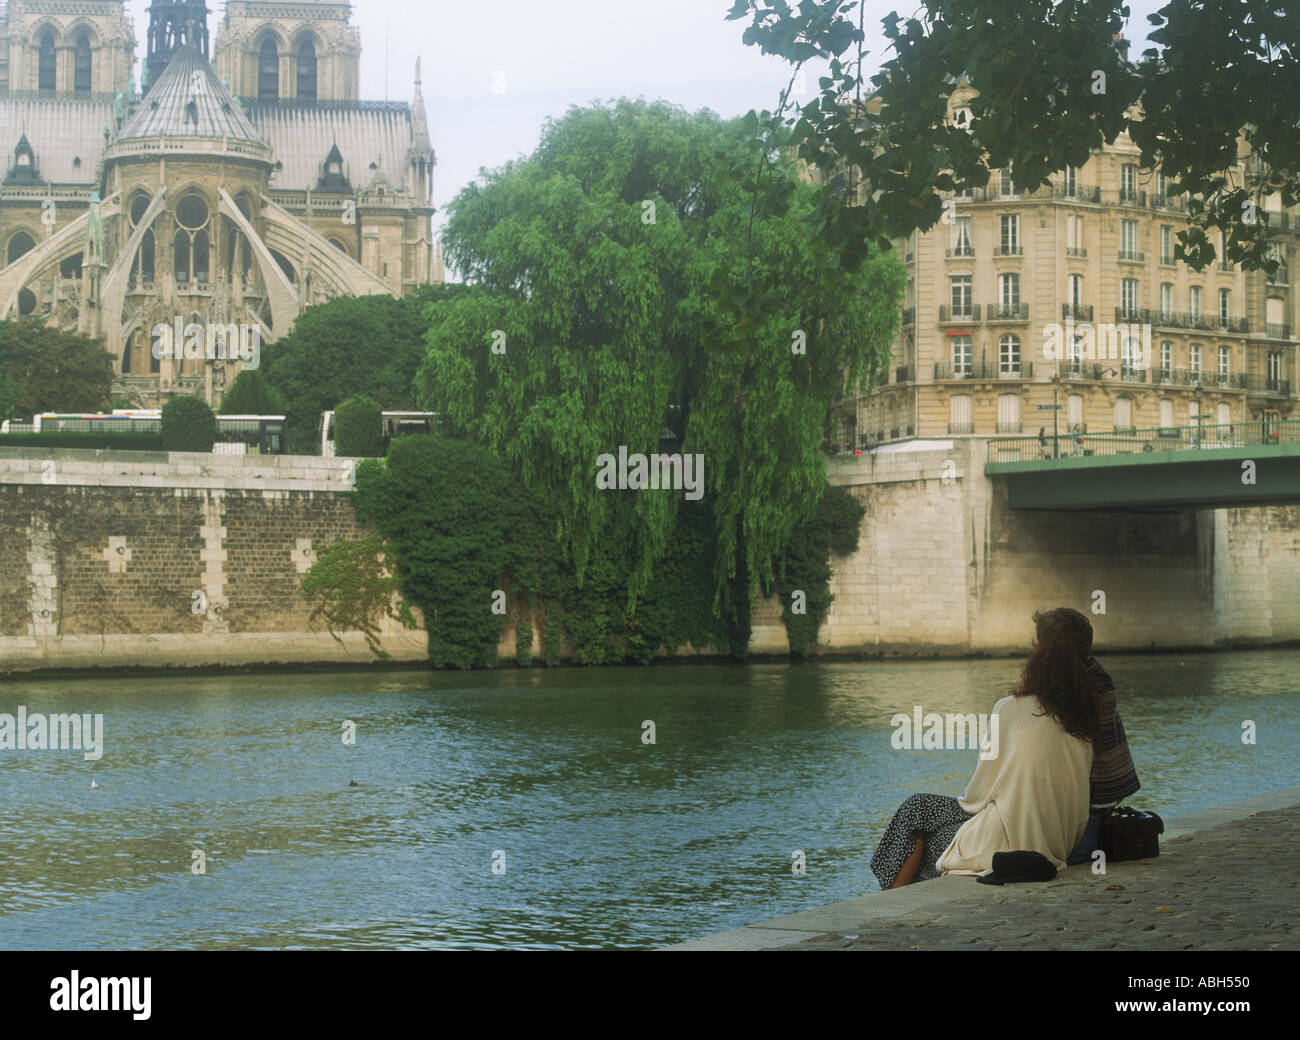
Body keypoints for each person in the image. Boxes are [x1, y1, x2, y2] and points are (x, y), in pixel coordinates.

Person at [870, 607, 1101, 889]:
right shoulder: (1086, 717)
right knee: (921, 811)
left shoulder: (1009, 709)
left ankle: (891, 903)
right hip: (1054, 846)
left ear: (1038, 650)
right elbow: (1079, 813)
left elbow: (977, 797)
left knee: (917, 813)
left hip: (1006, 846)